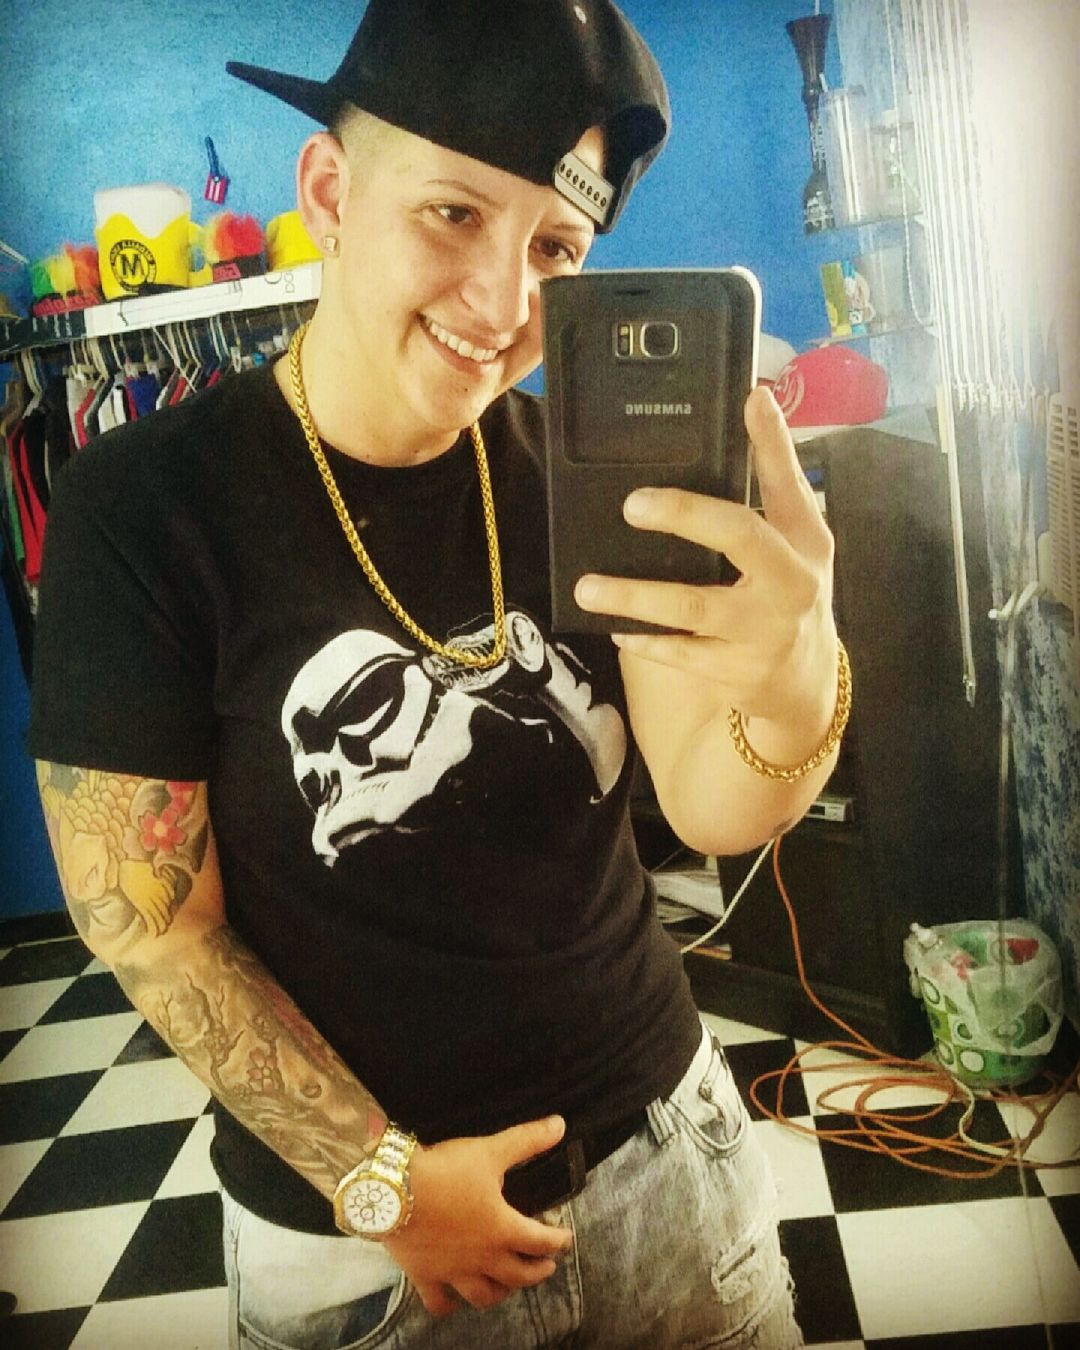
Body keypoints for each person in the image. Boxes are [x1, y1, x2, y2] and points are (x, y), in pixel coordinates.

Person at [29, 2, 846, 1346]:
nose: (507, 304)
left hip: (670, 1164)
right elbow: (150, 924)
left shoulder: (587, 475)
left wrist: (802, 672)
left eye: (555, 246)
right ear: (329, 192)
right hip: (371, 1255)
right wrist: (385, 1185)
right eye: (455, 214)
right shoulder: (145, 506)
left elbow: (713, 809)